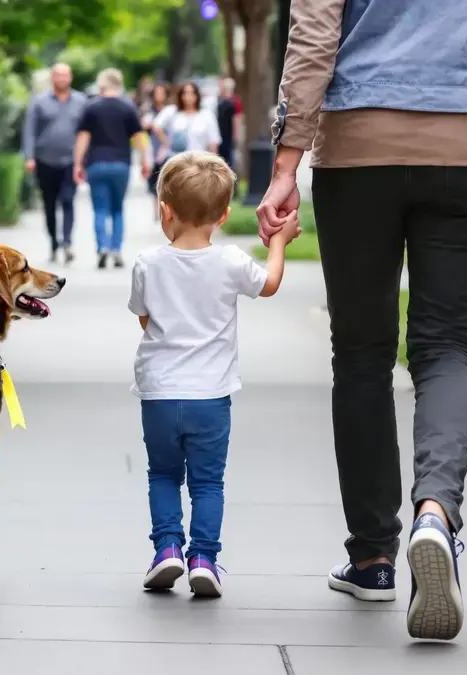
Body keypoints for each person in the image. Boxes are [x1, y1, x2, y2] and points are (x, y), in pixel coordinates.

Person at [259, 0, 467, 641]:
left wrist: (286, 162)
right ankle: (435, 512)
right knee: (447, 348)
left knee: (361, 354)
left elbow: (313, 32)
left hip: (358, 144)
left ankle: (372, 558)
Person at [129, 152, 300, 597]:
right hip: (210, 397)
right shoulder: (230, 261)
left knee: (163, 475)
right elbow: (269, 284)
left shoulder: (148, 262)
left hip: (159, 394)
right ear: (223, 215)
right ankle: (203, 558)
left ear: (165, 210)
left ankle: (167, 549)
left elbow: (145, 319)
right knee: (207, 482)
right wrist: (279, 242)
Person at [73, 69, 153, 269]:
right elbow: (138, 137)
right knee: (118, 209)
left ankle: (102, 247)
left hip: (96, 164)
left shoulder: (91, 107)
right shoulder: (128, 107)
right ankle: (116, 249)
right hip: (121, 164)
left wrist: (77, 164)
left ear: (101, 84)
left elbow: (83, 137)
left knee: (100, 209)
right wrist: (145, 161)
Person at [22, 63, 88, 263]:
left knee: (68, 200)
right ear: (52, 78)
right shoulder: (39, 102)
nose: (61, 79)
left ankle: (67, 242)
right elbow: (29, 130)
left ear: (70, 77)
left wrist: (84, 159)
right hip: (45, 160)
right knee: (49, 204)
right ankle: (53, 242)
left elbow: (87, 132)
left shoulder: (81, 101)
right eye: (58, 75)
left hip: (71, 161)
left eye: (64, 75)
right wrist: (29, 156)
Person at [152, 81, 221, 166]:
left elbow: (213, 141)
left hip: (199, 162)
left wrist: (213, 164)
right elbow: (156, 125)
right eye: (185, 93)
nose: (188, 97)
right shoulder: (172, 111)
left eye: (192, 93)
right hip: (176, 161)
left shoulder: (206, 115)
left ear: (197, 95)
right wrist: (166, 143)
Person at [141, 83, 171, 216]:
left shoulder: (171, 110)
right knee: (155, 182)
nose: (159, 96)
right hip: (153, 150)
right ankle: (157, 212)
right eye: (157, 93)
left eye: (162, 93)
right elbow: (142, 126)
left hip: (169, 150)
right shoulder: (148, 110)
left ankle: (167, 210)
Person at [215, 78, 243, 193]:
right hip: (220, 137)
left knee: (230, 163)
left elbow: (236, 120)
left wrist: (235, 137)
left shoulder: (235, 102)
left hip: (228, 137)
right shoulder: (220, 100)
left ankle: (232, 188)